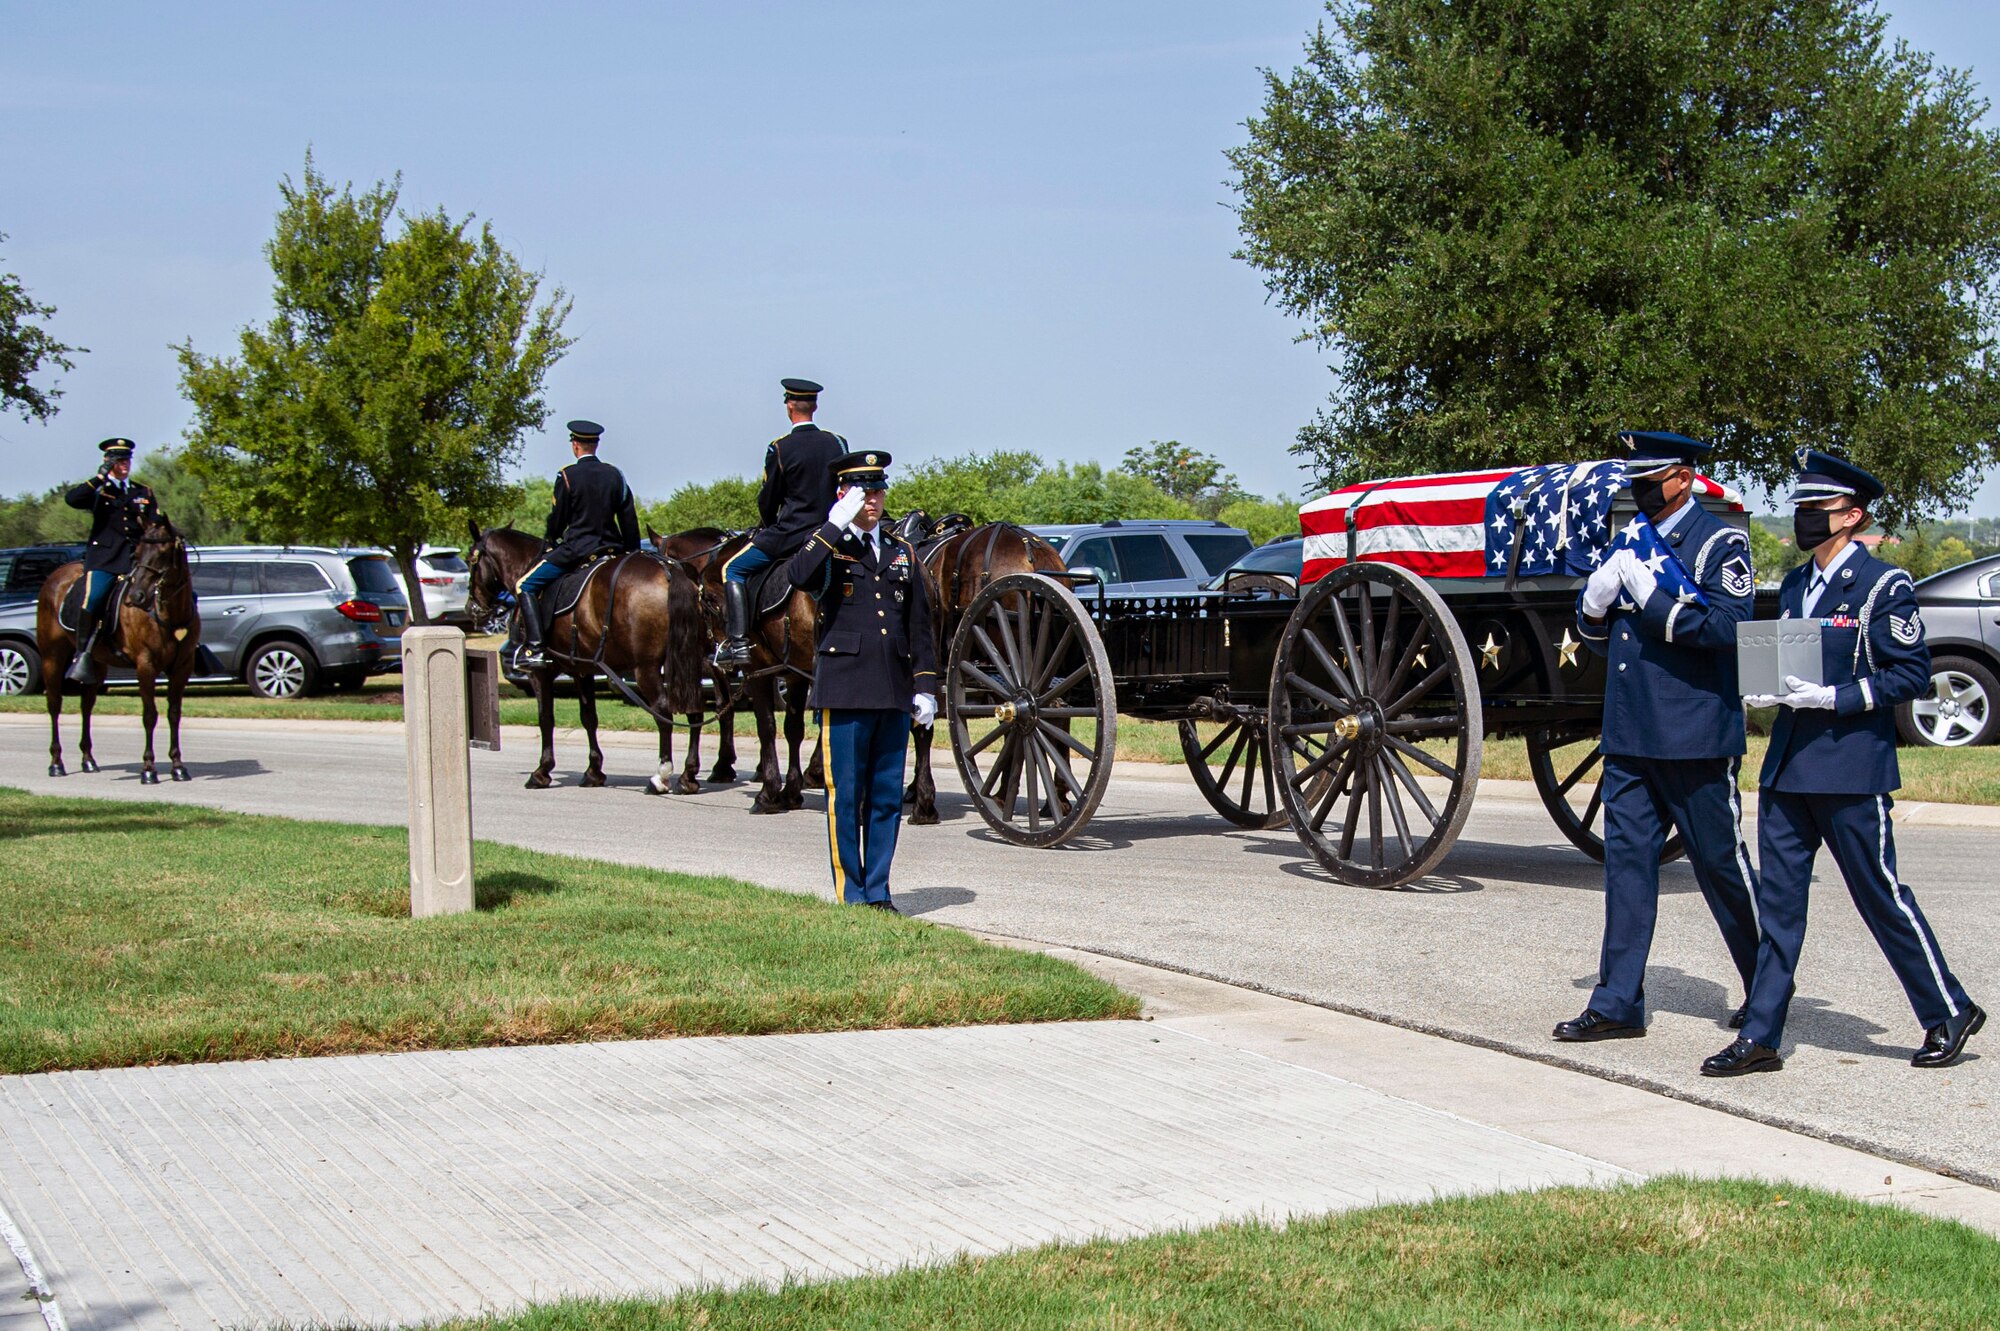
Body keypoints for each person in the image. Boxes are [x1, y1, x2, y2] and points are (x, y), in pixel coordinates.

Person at [1704, 450, 1984, 1076]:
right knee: (1778, 907)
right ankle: (1763, 1034)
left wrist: (1836, 696)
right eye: (1800, 508)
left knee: (1879, 896)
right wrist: (1766, 686)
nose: (1804, 518)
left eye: (1816, 509)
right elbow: (1787, 659)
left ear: (1851, 515)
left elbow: (1910, 675)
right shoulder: (1799, 583)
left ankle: (1948, 1009)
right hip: (1788, 767)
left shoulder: (1885, 586)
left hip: (1851, 765)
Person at [1554, 430, 1762, 1044]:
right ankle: (1618, 1000)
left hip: (1694, 733)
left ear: (1684, 478)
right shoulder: (1630, 541)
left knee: (1721, 865)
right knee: (1626, 869)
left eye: (1652, 479)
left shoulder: (1719, 542)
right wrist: (1591, 611)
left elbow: (1729, 628)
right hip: (1631, 731)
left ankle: (1766, 985)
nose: (1641, 490)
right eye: (1636, 480)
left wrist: (1654, 601)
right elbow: (1603, 637)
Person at [787, 450, 938, 911]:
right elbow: (800, 575)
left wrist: (926, 687)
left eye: (876, 491)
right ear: (843, 495)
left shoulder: (901, 552)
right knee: (846, 798)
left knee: (887, 799)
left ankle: (878, 892)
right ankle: (850, 893)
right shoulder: (830, 547)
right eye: (861, 492)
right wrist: (833, 525)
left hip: (892, 689)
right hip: (846, 686)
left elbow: (919, 625)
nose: (872, 500)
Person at [715, 377, 848, 667]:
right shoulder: (838, 443)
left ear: (790, 407)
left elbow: (768, 500)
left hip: (790, 534)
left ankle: (738, 644)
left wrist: (768, 524)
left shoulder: (780, 448)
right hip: (832, 531)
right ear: (815, 406)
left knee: (732, 568)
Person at [513, 419, 639, 669]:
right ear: (596, 444)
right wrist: (632, 552)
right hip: (612, 550)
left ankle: (536, 647)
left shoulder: (567, 476)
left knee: (524, 585)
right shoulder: (616, 475)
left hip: (576, 551)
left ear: (575, 445)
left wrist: (551, 539)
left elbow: (558, 520)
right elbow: (629, 519)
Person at [62, 437, 166, 684]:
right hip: (107, 558)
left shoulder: (142, 492)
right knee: (94, 597)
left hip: (138, 560)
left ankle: (191, 649)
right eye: (119, 461)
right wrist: (99, 478)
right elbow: (72, 499)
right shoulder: (99, 491)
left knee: (175, 592)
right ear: (108, 463)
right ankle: (83, 654)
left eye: (127, 460)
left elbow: (154, 523)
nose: (124, 466)